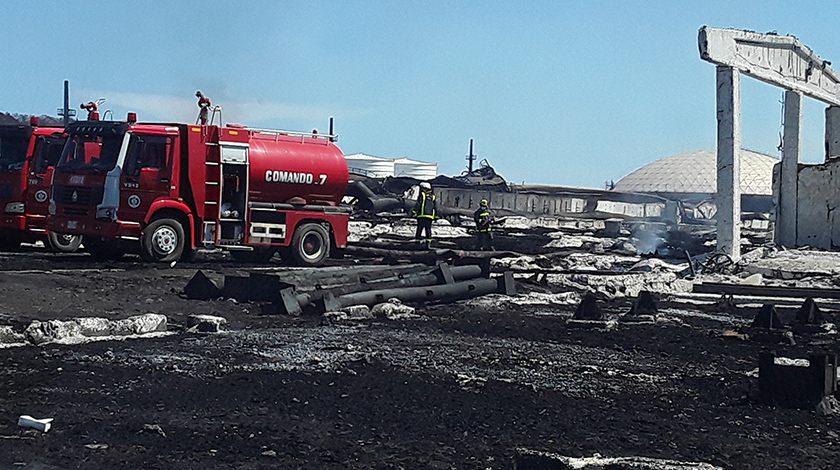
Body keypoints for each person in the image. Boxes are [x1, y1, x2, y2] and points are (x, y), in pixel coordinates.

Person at [412, 181, 436, 248]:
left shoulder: (422, 195)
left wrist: (414, 212)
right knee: (428, 230)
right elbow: (435, 206)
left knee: (419, 230)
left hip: (422, 215)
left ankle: (417, 244)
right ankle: (428, 244)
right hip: (430, 216)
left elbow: (418, 204)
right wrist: (436, 216)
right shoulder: (433, 196)